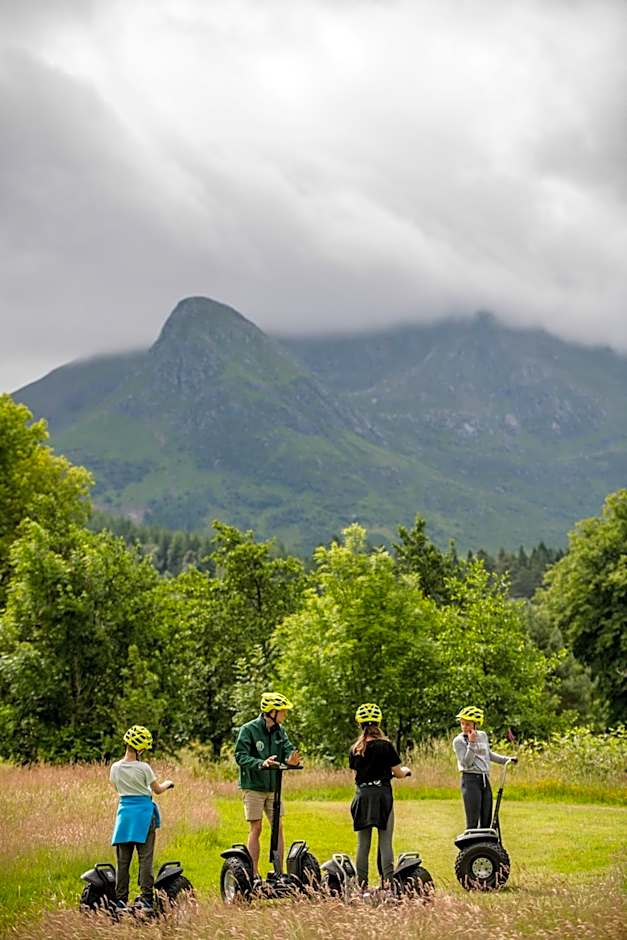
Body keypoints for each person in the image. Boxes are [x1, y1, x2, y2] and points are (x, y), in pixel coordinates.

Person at [234, 692, 301, 880]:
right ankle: (253, 873)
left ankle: (279, 872)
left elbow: (288, 749)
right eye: (283, 711)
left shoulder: (280, 731)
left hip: (273, 787)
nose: (285, 715)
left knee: (278, 827)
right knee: (256, 828)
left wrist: (291, 760)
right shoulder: (248, 729)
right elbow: (240, 756)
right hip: (253, 786)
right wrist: (261, 763)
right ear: (272, 711)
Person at [110, 725, 175, 911]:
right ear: (139, 748)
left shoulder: (115, 768)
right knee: (145, 858)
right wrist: (168, 783)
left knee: (123, 861)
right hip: (144, 816)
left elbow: (117, 788)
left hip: (124, 816)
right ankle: (146, 899)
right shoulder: (144, 768)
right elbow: (158, 790)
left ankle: (120, 900)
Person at [348, 703, 411, 889]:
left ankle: (361, 886)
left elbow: (357, 776)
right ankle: (389, 885)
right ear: (379, 723)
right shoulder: (386, 746)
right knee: (385, 842)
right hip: (383, 796)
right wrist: (406, 771)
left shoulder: (355, 749)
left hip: (362, 797)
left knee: (363, 844)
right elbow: (398, 773)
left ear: (360, 725)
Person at [452, 706, 517, 830]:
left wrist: (507, 760)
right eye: (462, 723)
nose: (464, 727)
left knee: (486, 819)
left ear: (476, 724)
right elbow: (466, 763)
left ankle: (486, 848)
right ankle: (471, 849)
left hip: (484, 780)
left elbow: (489, 755)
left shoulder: (483, 736)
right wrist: (471, 743)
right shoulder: (458, 741)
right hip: (470, 780)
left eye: (468, 724)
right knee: (473, 821)